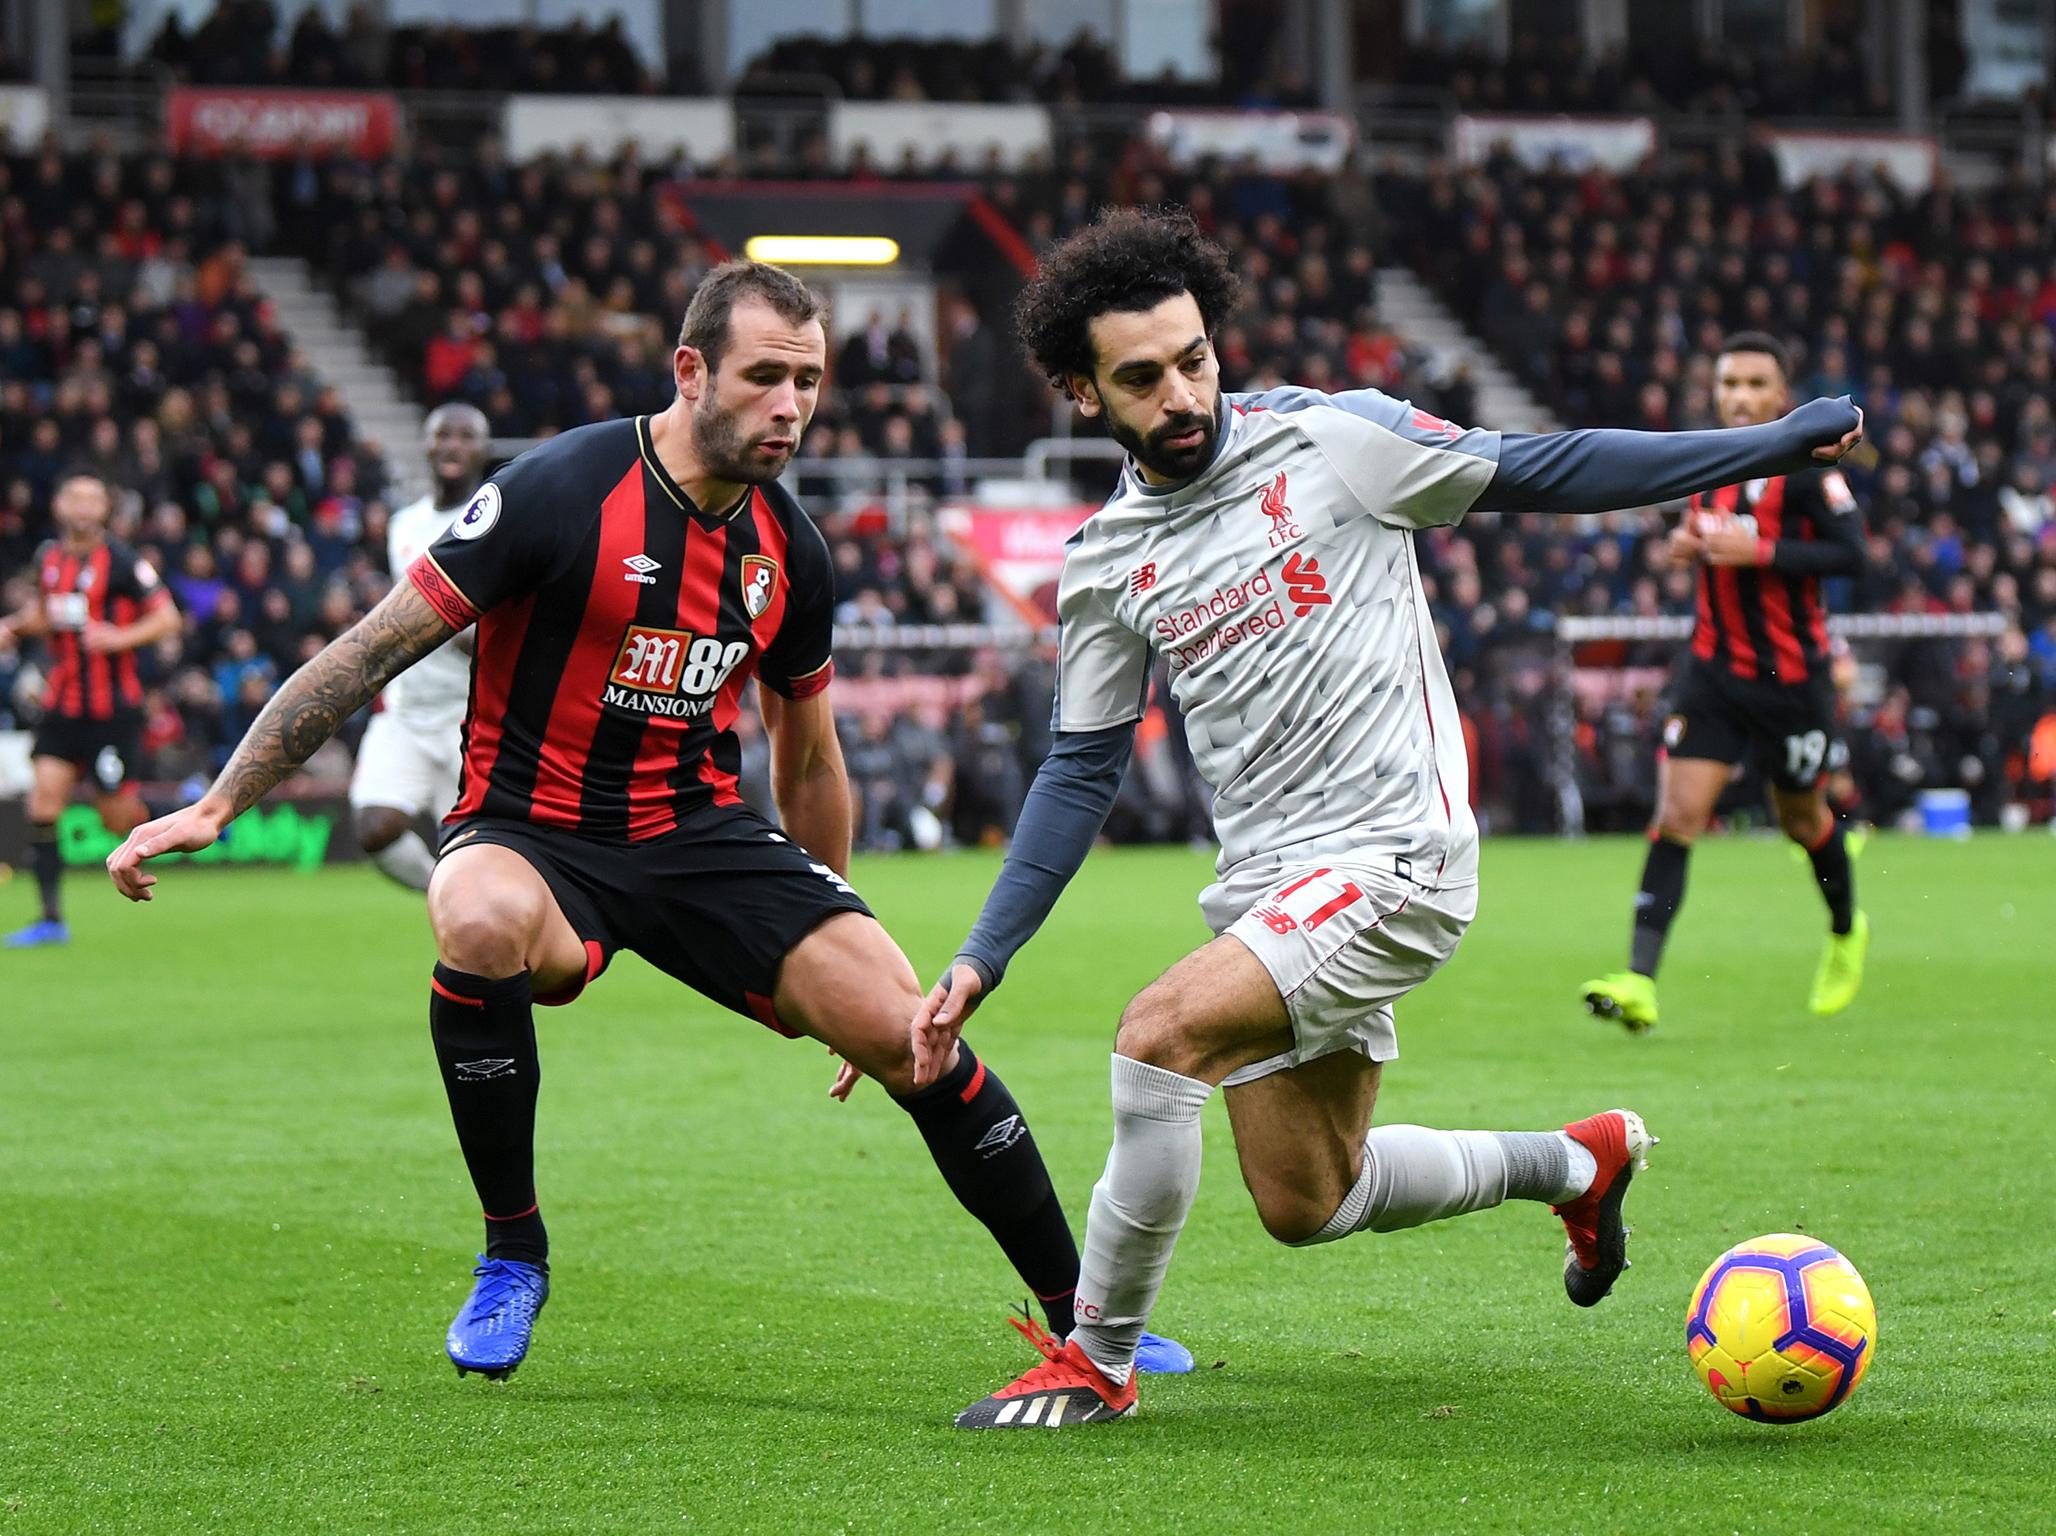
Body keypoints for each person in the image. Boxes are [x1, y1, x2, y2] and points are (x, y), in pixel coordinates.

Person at [106, 259, 1186, 1382]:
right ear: (690, 370)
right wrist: (222, 802)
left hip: (697, 834)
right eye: (765, 376)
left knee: (912, 1031)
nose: (792, 406)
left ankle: (1084, 1316)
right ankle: (512, 1254)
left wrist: (841, 926)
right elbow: (371, 646)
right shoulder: (560, 490)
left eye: (808, 381)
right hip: (530, 832)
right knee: (471, 917)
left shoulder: (788, 551)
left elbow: (807, 755)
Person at [903, 209, 1864, 1429]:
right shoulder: (1102, 563)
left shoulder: (1335, 440)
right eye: (1140, 379)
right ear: (1082, 393)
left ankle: (1094, 1358)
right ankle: (1578, 1162)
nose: (1180, 393)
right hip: (1269, 889)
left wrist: (1762, 446)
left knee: (1156, 1035)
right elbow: (1078, 771)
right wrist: (983, 954)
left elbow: (1548, 469)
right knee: (1311, 1196)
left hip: (1395, 860)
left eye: (1193, 358)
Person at [1581, 333, 1869, 1031]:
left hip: (1792, 679)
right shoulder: (1698, 460)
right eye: (1729, 383)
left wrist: (1763, 549)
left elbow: (1853, 553)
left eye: (1753, 384)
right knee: (1677, 817)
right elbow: (1693, 535)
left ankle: (1844, 931)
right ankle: (1640, 981)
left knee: (1804, 822)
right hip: (1712, 673)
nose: (1739, 396)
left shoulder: (1807, 467)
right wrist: (1684, 545)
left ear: (1781, 397)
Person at [1, 474, 181, 947]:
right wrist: (15, 628)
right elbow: (48, 614)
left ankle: (187, 806)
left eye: (93, 500)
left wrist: (118, 637)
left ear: (104, 510)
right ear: (60, 505)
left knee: (116, 819)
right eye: (75, 498)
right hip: (62, 706)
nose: (83, 508)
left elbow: (168, 618)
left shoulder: (122, 561)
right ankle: (51, 919)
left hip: (111, 712)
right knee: (42, 806)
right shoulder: (49, 558)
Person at [349, 404, 492, 891]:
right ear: (427, 446)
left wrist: (447, 629)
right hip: (407, 712)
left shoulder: (494, 522)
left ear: (482, 449)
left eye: (465, 436)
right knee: (374, 828)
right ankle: (442, 893)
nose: (452, 444)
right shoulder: (404, 524)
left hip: (470, 715)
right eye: (442, 434)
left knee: (485, 848)